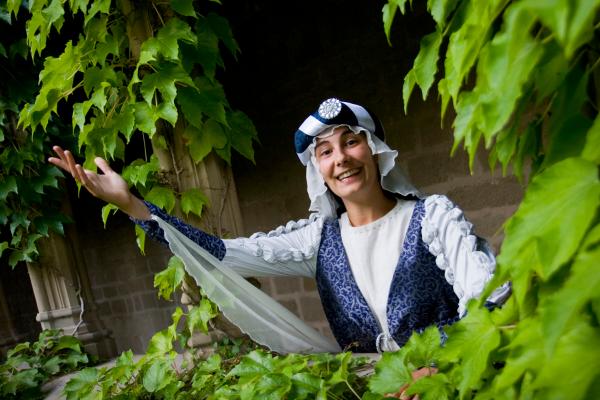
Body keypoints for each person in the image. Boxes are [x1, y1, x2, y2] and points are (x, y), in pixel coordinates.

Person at [49, 98, 510, 356]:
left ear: (375, 151)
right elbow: (219, 253)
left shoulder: (434, 217)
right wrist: (133, 205)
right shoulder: (317, 240)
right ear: (318, 170)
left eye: (351, 142)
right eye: (325, 152)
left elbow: (488, 299)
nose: (341, 158)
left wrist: (439, 361)